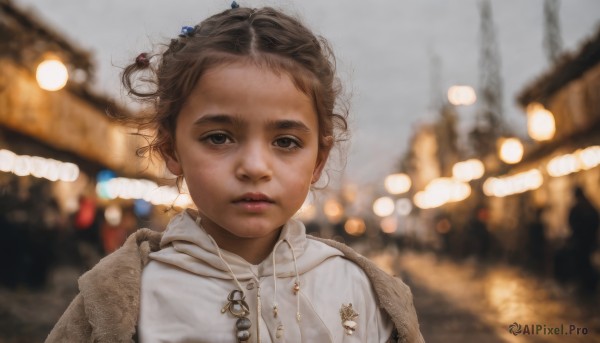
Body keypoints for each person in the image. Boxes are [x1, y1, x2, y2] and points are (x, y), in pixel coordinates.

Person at [46, 3, 423, 342]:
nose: (255, 167)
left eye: (286, 142)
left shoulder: (361, 291)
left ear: (318, 160)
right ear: (171, 150)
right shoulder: (124, 299)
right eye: (219, 137)